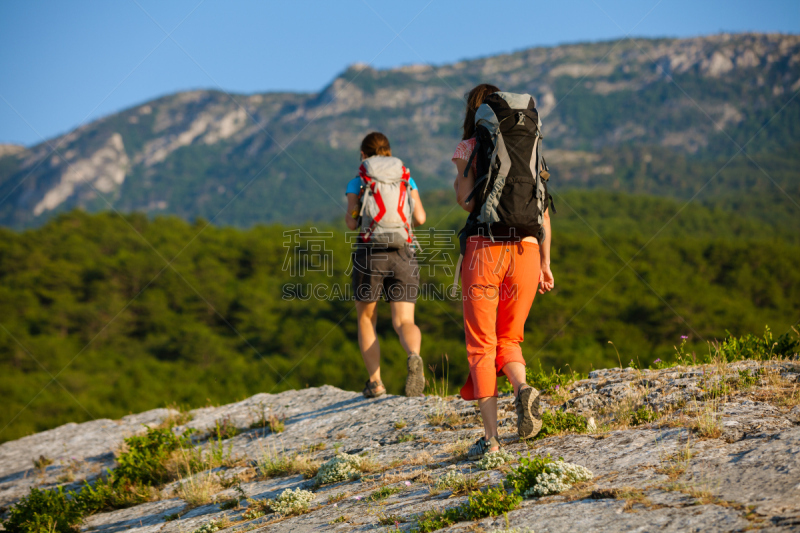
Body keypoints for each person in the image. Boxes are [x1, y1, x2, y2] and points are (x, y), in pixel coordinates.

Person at [451, 84, 555, 458]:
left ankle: (492, 441)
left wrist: (463, 176)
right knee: (509, 338)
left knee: (482, 345)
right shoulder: (531, 145)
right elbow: (543, 209)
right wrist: (545, 263)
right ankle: (522, 387)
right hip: (527, 249)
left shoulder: (469, 146)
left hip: (485, 248)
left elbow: (466, 201)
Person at [345, 132, 427, 398]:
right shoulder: (406, 177)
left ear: (363, 155)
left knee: (367, 318)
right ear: (389, 152)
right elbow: (421, 218)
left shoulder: (358, 181)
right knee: (404, 320)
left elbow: (351, 222)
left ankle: (376, 383)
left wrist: (356, 210)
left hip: (371, 254)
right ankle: (414, 355)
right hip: (404, 252)